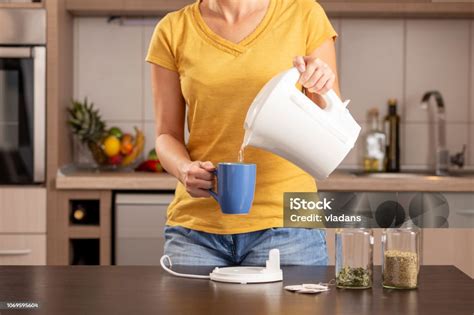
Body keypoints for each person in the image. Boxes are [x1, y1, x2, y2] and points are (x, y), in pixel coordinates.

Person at [146, 0, 339, 266]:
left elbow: (329, 123)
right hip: (196, 232)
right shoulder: (172, 29)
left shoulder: (304, 14)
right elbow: (166, 135)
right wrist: (183, 169)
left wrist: (321, 82)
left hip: (290, 228)